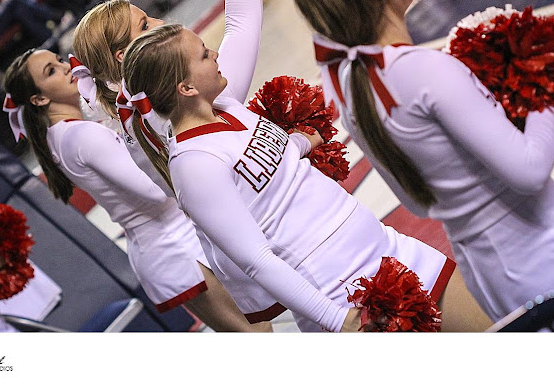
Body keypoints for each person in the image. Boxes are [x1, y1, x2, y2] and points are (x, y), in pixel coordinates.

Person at [290, 0, 554, 331]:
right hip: (550, 253)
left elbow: (418, 202)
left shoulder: (353, 90)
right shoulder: (423, 70)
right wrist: (539, 82)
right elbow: (528, 171)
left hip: (485, 277)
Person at [120, 21, 492, 333]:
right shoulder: (194, 165)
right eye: (203, 55)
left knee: (500, 332)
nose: (215, 54)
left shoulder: (226, 107)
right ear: (185, 88)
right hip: (344, 291)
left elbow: (267, 164)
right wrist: (339, 321)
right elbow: (256, 260)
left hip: (387, 247)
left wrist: (301, 140)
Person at [72, 0, 297, 326]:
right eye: (145, 25)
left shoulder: (137, 109)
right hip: (269, 241)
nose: (159, 22)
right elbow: (243, 22)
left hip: (243, 242)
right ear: (125, 56)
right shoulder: (175, 100)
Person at [2, 48, 270, 332]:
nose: (66, 67)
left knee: (253, 332)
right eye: (51, 70)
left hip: (164, 248)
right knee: (257, 332)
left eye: (58, 60)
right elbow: (155, 190)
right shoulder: (82, 136)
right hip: (177, 248)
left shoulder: (60, 136)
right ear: (40, 98)